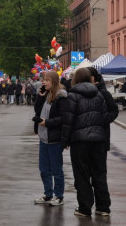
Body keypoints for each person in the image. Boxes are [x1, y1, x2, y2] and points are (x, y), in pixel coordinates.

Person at [62, 68, 111, 218]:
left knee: (82, 175)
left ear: (75, 79)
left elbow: (68, 121)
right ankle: (103, 207)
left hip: (80, 141)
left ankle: (84, 208)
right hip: (98, 140)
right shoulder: (99, 94)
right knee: (99, 173)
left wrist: (65, 140)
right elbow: (104, 116)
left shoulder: (72, 96)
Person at [32, 70, 68, 206]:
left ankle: (59, 196)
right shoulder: (46, 95)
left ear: (53, 82)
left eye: (46, 80)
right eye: (43, 79)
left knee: (56, 169)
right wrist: (40, 97)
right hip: (43, 138)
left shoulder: (61, 97)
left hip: (54, 138)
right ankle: (48, 194)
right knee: (44, 169)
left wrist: (47, 123)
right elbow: (37, 110)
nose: (43, 82)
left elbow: (63, 118)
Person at [88, 66, 120, 154]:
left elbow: (114, 110)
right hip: (84, 139)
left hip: (101, 137)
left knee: (99, 166)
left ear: (92, 78)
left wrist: (103, 120)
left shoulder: (103, 93)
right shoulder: (82, 92)